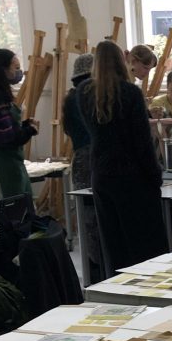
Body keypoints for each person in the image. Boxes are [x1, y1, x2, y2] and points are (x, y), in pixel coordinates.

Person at [78, 40, 169, 274]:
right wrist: (155, 175)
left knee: (114, 244)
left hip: (101, 175)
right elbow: (141, 143)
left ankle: (118, 293)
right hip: (132, 177)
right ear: (123, 60)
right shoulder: (130, 93)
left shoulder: (84, 92)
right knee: (144, 247)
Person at [0, 48, 39, 199]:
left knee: (20, 210)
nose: (19, 72)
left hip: (7, 160)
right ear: (2, 70)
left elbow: (6, 128)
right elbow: (6, 138)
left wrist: (25, 125)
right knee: (10, 211)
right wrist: (30, 130)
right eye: (16, 68)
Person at [62, 53, 103, 284]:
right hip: (95, 158)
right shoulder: (91, 96)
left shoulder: (70, 99)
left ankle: (92, 274)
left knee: (87, 218)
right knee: (97, 218)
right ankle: (100, 272)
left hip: (80, 158)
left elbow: (70, 132)